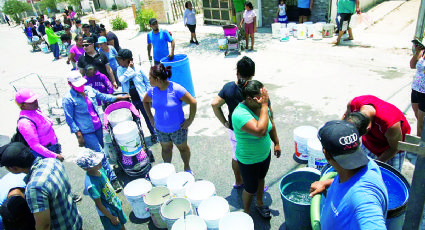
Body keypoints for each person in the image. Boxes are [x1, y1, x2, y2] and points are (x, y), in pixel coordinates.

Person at [309, 120, 388, 229]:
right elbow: (352, 181)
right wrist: (326, 183)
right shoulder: (369, 164)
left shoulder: (362, 198)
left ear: (326, 154)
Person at [62, 71, 128, 192]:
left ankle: (101, 174)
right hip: (86, 131)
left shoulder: (88, 90)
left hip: (97, 126)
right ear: (70, 84)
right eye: (77, 85)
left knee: (99, 154)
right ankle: (112, 180)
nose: (81, 87)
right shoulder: (68, 99)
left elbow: (103, 96)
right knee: (101, 154)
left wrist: (119, 97)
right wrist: (78, 135)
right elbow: (69, 119)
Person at [0, 142, 83, 230]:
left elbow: (44, 226)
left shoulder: (34, 188)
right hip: (75, 219)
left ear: (13, 168)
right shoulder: (52, 161)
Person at [231, 80, 281, 217]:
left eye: (264, 97)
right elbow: (260, 131)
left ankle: (259, 203)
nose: (264, 100)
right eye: (260, 98)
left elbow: (271, 125)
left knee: (261, 179)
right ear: (248, 99)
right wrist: (264, 105)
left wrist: (276, 142)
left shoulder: (263, 106)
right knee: (250, 188)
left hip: (264, 154)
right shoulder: (239, 114)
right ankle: (246, 212)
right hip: (249, 159)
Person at [211, 56, 256, 189]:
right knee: (253, 157)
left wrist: (224, 122)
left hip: (234, 130)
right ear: (253, 73)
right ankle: (256, 184)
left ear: (237, 72)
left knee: (236, 156)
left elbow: (215, 104)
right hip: (252, 129)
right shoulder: (255, 88)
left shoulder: (229, 88)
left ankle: (238, 181)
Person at [143, 64, 197, 172]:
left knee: (182, 148)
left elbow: (193, 102)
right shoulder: (152, 90)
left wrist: (190, 120)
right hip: (160, 129)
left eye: (150, 77)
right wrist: (150, 117)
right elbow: (145, 101)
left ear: (157, 79)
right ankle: (168, 170)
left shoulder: (176, 89)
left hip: (178, 129)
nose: (148, 80)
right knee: (166, 149)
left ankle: (187, 167)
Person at [343, 95, 411, 172]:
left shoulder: (390, 124)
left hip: (392, 147)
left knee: (389, 173)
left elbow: (394, 148)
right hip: (370, 143)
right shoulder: (354, 104)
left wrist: (374, 165)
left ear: (368, 128)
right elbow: (345, 117)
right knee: (361, 168)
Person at [76, 148, 127, 230]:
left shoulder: (100, 169)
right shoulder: (92, 185)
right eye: (96, 163)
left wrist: (117, 198)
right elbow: (99, 204)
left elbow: (109, 185)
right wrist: (111, 217)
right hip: (108, 212)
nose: (100, 162)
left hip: (114, 204)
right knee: (116, 227)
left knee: (121, 224)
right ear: (86, 168)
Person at [116, 49, 157, 142]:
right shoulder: (119, 70)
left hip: (141, 99)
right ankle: (139, 138)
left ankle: (154, 133)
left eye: (120, 60)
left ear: (128, 60)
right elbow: (122, 80)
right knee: (134, 120)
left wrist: (149, 95)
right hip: (130, 100)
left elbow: (147, 82)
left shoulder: (138, 68)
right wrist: (129, 70)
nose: (118, 62)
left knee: (148, 116)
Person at [410, 43, 425, 136]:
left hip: (424, 93)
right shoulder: (423, 52)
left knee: (421, 123)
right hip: (415, 89)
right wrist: (417, 53)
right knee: (418, 117)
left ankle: (420, 145)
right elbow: (412, 65)